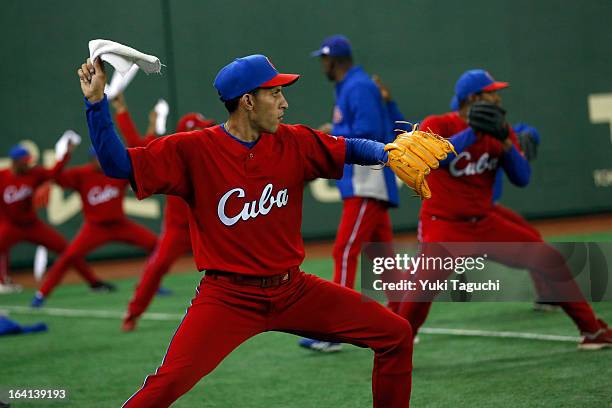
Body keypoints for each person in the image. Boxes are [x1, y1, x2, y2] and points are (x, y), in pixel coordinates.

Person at [75, 52, 450, 407]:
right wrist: (96, 105)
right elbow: (117, 164)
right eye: (275, 93)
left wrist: (385, 153)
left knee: (395, 335)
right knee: (168, 382)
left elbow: (346, 147)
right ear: (247, 102)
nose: (284, 102)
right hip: (227, 298)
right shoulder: (193, 150)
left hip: (294, 290)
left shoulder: (294, 141)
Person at [397, 69, 612, 350]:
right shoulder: (438, 124)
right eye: (492, 92)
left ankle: (592, 332)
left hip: (486, 223)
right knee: (421, 290)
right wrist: (473, 133)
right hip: (444, 225)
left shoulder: (499, 129)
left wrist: (508, 143)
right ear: (474, 98)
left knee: (548, 258)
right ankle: (397, 340)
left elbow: (522, 178)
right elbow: (435, 160)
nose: (498, 98)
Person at [300, 35, 401, 352]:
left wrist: (333, 133)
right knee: (383, 257)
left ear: (334, 60)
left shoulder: (357, 86)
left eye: (324, 60)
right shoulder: (350, 86)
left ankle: (335, 331)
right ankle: (403, 320)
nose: (322, 65)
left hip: (365, 180)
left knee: (344, 250)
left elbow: (370, 134)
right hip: (362, 180)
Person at [110, 93, 216, 331]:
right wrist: (122, 111)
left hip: (210, 226)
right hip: (178, 229)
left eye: (206, 128)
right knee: (156, 268)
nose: (207, 133)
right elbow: (138, 147)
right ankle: (133, 313)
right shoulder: (171, 155)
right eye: (202, 129)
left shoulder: (214, 153)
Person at [31, 146, 159, 307]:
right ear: (91, 160)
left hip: (120, 224)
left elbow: (140, 173)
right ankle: (42, 294)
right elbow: (55, 177)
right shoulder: (82, 174)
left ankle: (152, 285)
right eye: (97, 158)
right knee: (69, 257)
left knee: (156, 245)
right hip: (95, 228)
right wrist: (66, 155)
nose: (100, 161)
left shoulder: (116, 171)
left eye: (103, 157)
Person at [0, 144, 101, 293]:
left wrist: (66, 155)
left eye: (28, 160)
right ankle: (3, 281)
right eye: (24, 161)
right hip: (10, 225)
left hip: (32, 225)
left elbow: (54, 173)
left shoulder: (34, 173)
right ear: (15, 162)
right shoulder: (3, 176)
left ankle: (94, 283)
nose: (28, 164)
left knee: (67, 249)